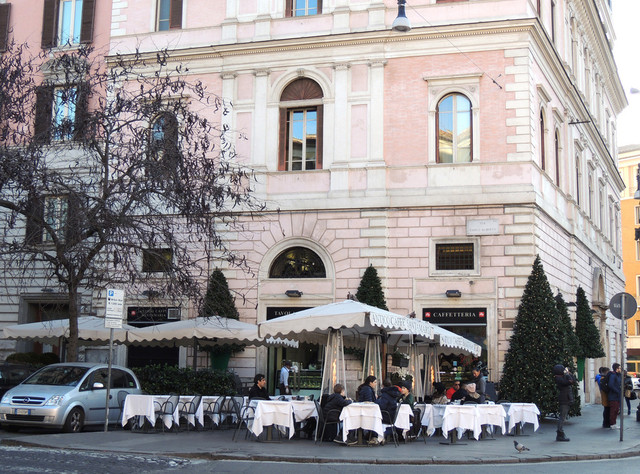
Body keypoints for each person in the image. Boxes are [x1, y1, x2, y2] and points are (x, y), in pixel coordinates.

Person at [553, 363, 575, 442]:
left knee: (563, 417)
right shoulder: (559, 379)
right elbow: (570, 381)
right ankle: (560, 433)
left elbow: (573, 380)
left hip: (566, 398)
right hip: (564, 399)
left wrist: (569, 374)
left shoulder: (562, 377)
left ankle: (560, 433)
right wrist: (568, 374)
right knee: (562, 417)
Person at [608, 363, 622, 429]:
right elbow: (611, 385)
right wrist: (617, 391)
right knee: (613, 410)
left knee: (616, 410)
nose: (620, 369)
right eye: (619, 368)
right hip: (613, 396)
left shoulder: (618, 375)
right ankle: (612, 424)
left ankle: (614, 423)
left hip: (617, 396)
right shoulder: (613, 375)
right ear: (617, 369)